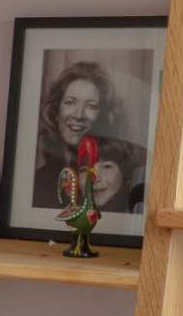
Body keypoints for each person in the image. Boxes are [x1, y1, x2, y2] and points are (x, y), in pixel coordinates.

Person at [30, 59, 148, 217]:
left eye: (91, 106)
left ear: (102, 115)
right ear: (55, 111)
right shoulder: (40, 181)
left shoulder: (124, 170)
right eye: (70, 102)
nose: (79, 115)